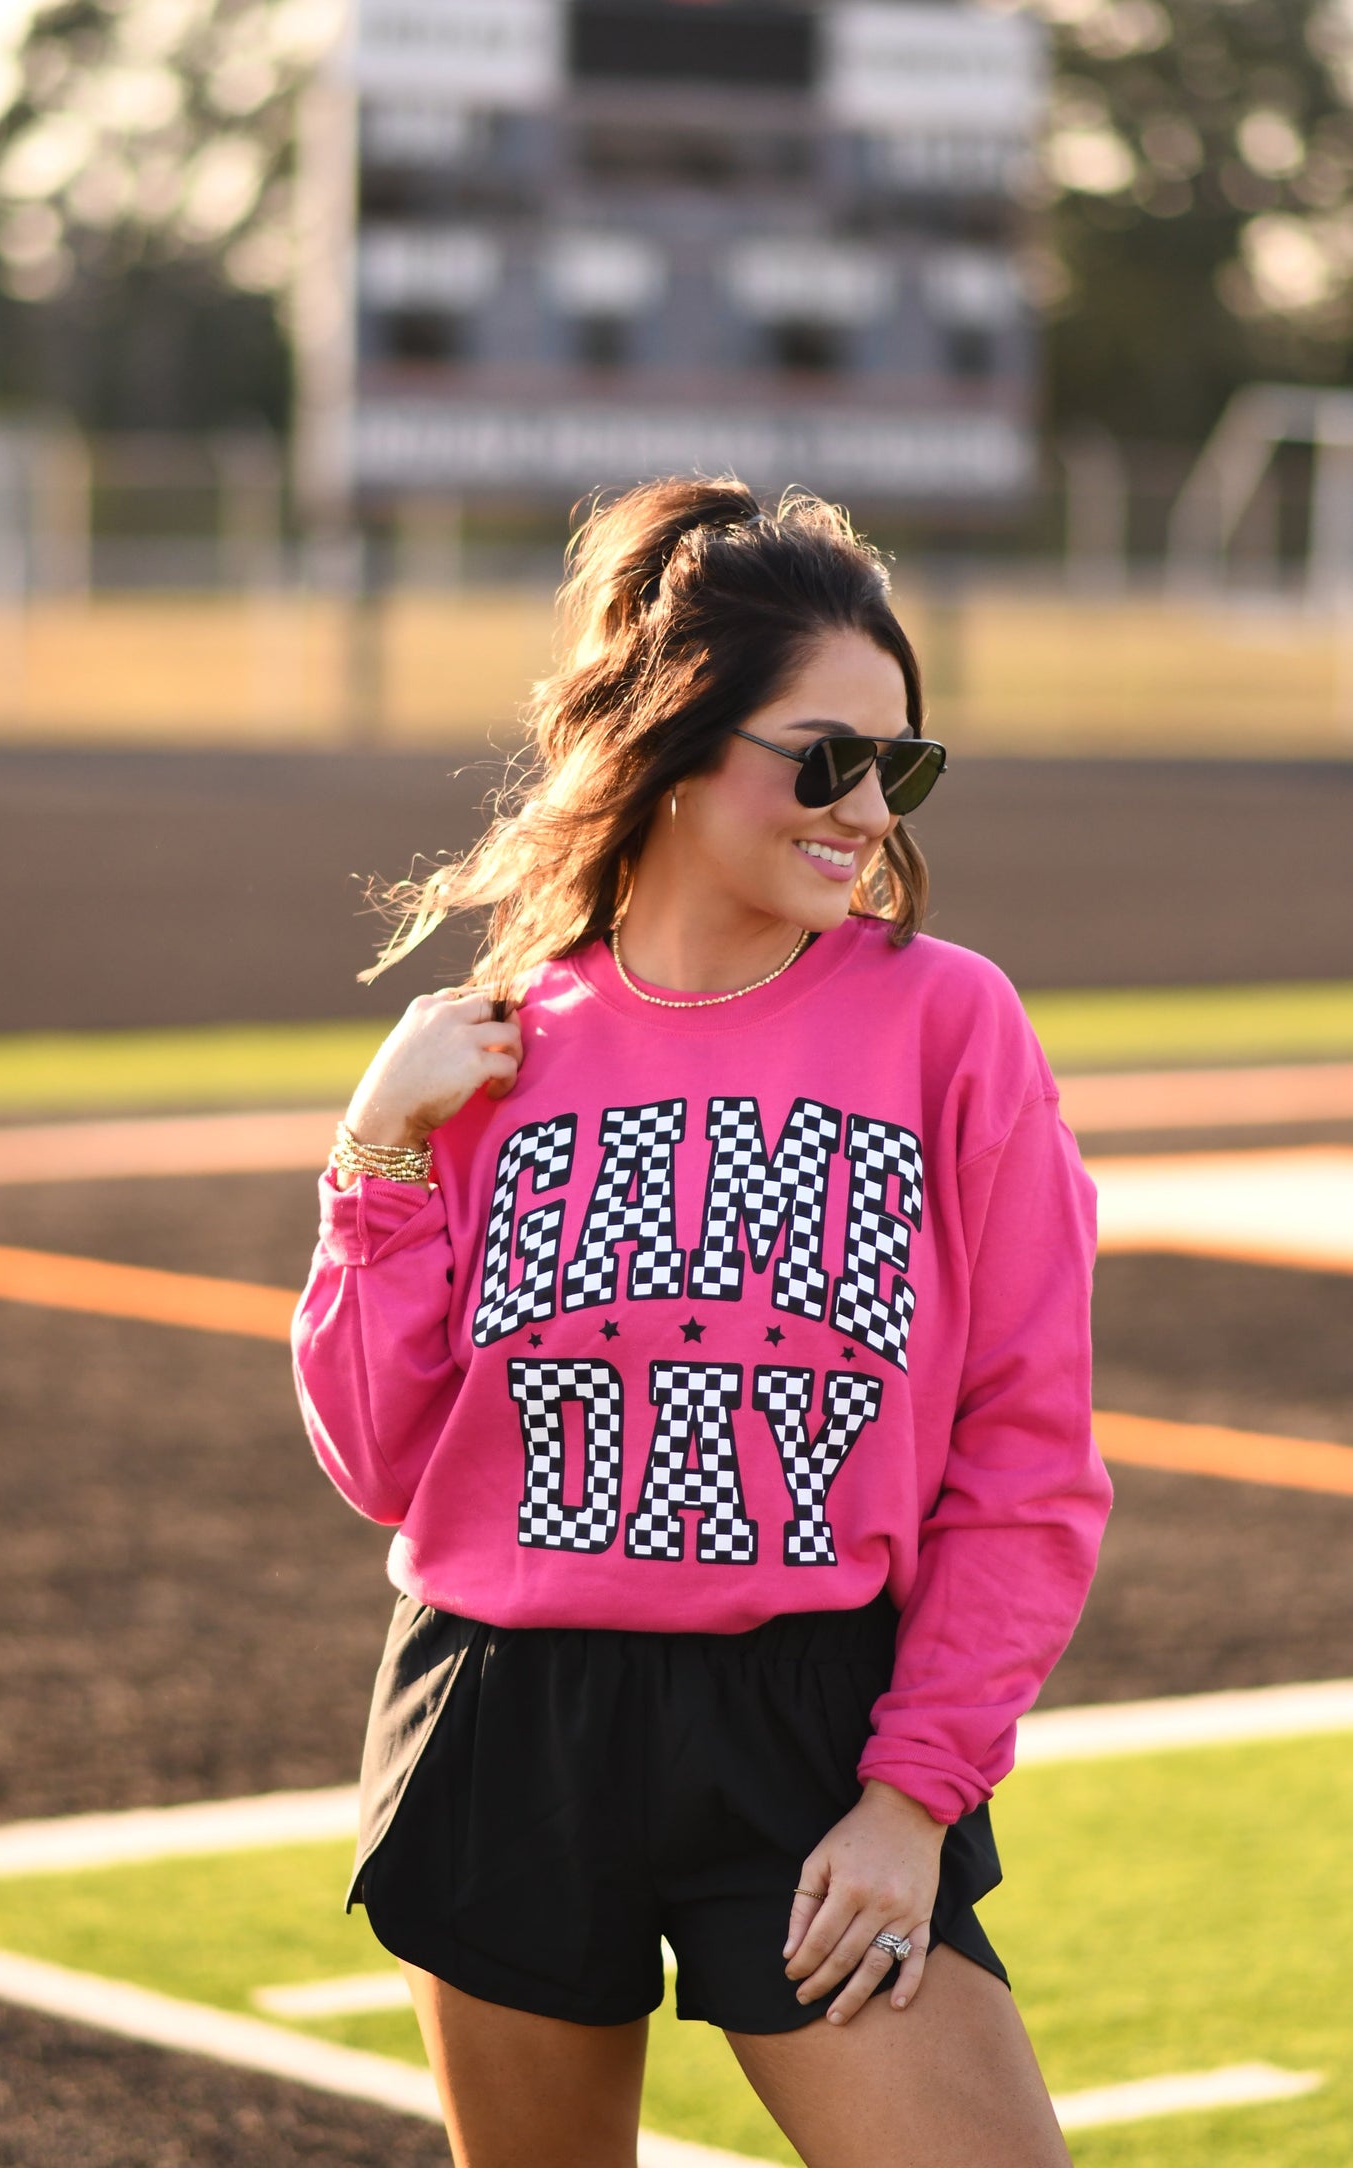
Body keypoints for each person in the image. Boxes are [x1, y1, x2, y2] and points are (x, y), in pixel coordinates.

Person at [290, 476, 1112, 2168]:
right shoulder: (495, 1049)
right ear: (672, 745)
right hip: (509, 1720)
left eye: (900, 763)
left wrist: (911, 1798)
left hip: (817, 1735)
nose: (867, 807)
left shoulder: (947, 1025)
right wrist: (375, 1152)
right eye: (825, 756)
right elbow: (384, 1462)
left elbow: (1026, 1455)